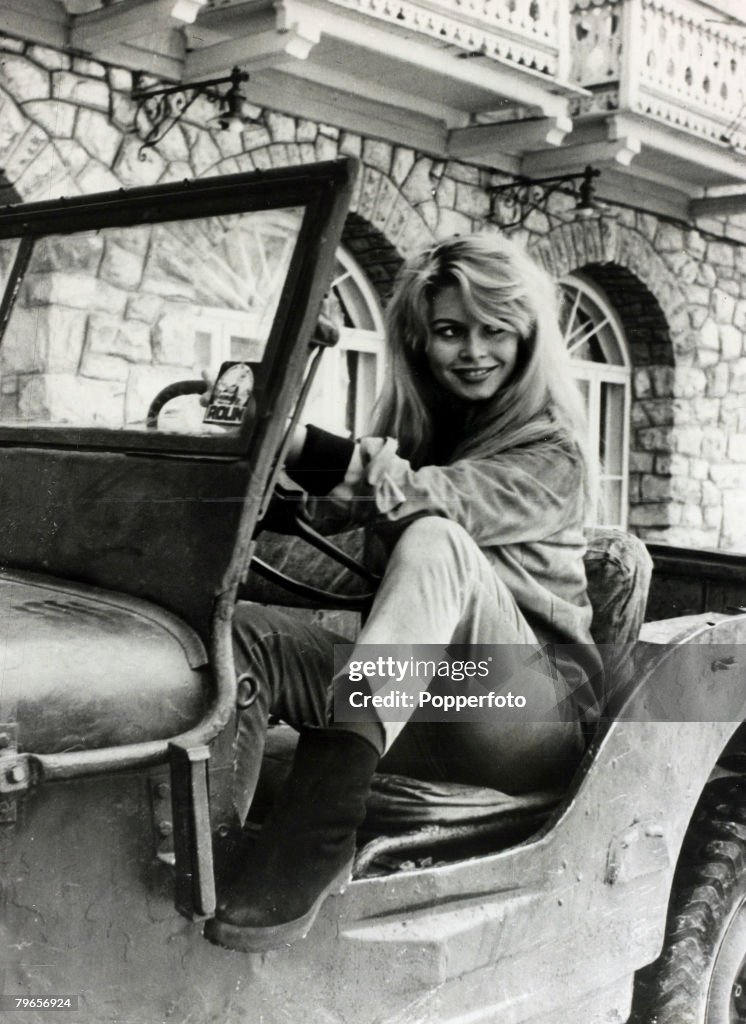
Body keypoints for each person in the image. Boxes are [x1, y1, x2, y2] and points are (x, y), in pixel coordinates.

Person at [203, 232, 603, 954]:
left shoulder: (554, 454)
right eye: (451, 331)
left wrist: (296, 443)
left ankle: (318, 827)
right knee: (242, 634)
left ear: (528, 338)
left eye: (495, 331)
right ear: (421, 343)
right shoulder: (414, 438)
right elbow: (336, 554)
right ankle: (210, 850)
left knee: (434, 539)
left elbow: (433, 503)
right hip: (411, 701)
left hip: (525, 712)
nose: (473, 351)